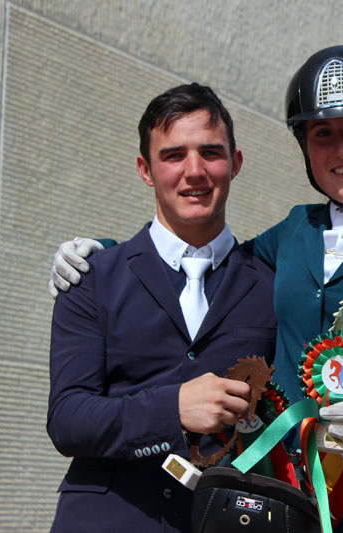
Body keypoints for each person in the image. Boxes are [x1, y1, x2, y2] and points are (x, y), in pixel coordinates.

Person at [48, 46, 343, 532]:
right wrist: (100, 256)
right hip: (276, 508)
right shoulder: (288, 238)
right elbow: (194, 256)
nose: (342, 150)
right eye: (322, 134)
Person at [47, 83, 278, 532]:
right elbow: (68, 420)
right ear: (145, 170)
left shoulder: (271, 287)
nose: (194, 171)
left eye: (210, 152)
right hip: (106, 518)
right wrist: (171, 409)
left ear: (236, 163)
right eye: (173, 156)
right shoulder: (91, 277)